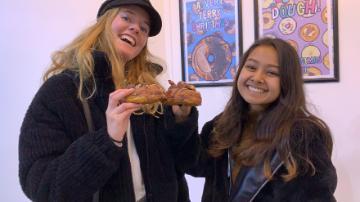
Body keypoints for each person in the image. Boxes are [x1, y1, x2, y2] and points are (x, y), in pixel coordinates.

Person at [18, 0, 199, 202]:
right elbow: (43, 187)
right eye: (126, 17)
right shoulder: (61, 92)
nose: (135, 28)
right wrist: (108, 139)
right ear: (104, 23)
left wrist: (181, 121)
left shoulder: (150, 96)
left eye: (144, 28)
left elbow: (185, 162)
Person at [187, 37, 337, 202]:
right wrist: (182, 118)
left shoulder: (302, 136)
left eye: (272, 72)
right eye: (251, 67)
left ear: (287, 81)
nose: (257, 77)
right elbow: (195, 164)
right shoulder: (221, 125)